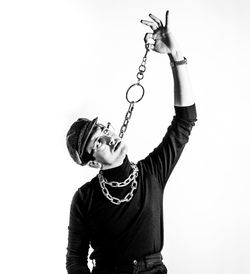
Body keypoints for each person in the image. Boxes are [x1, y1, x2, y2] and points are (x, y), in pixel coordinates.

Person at [66, 10, 197, 274]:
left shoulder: (152, 174)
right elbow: (75, 261)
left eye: (104, 129)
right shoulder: (85, 199)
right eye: (98, 141)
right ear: (93, 163)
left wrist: (176, 55)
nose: (108, 136)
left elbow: (185, 121)